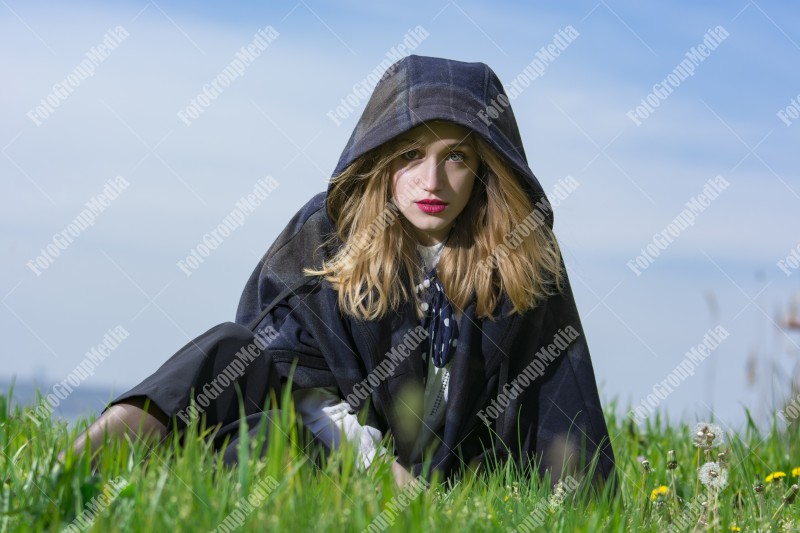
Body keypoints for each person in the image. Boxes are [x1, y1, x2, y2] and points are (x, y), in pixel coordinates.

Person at [61, 54, 616, 490]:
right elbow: (279, 364)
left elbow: (560, 408)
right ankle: (77, 469)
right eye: (410, 155)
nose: (432, 182)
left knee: (252, 448)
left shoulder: (518, 254)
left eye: (456, 158)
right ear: (382, 156)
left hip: (440, 485)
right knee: (227, 351)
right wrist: (373, 465)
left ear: (483, 170)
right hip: (328, 450)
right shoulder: (326, 230)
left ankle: (192, 471)